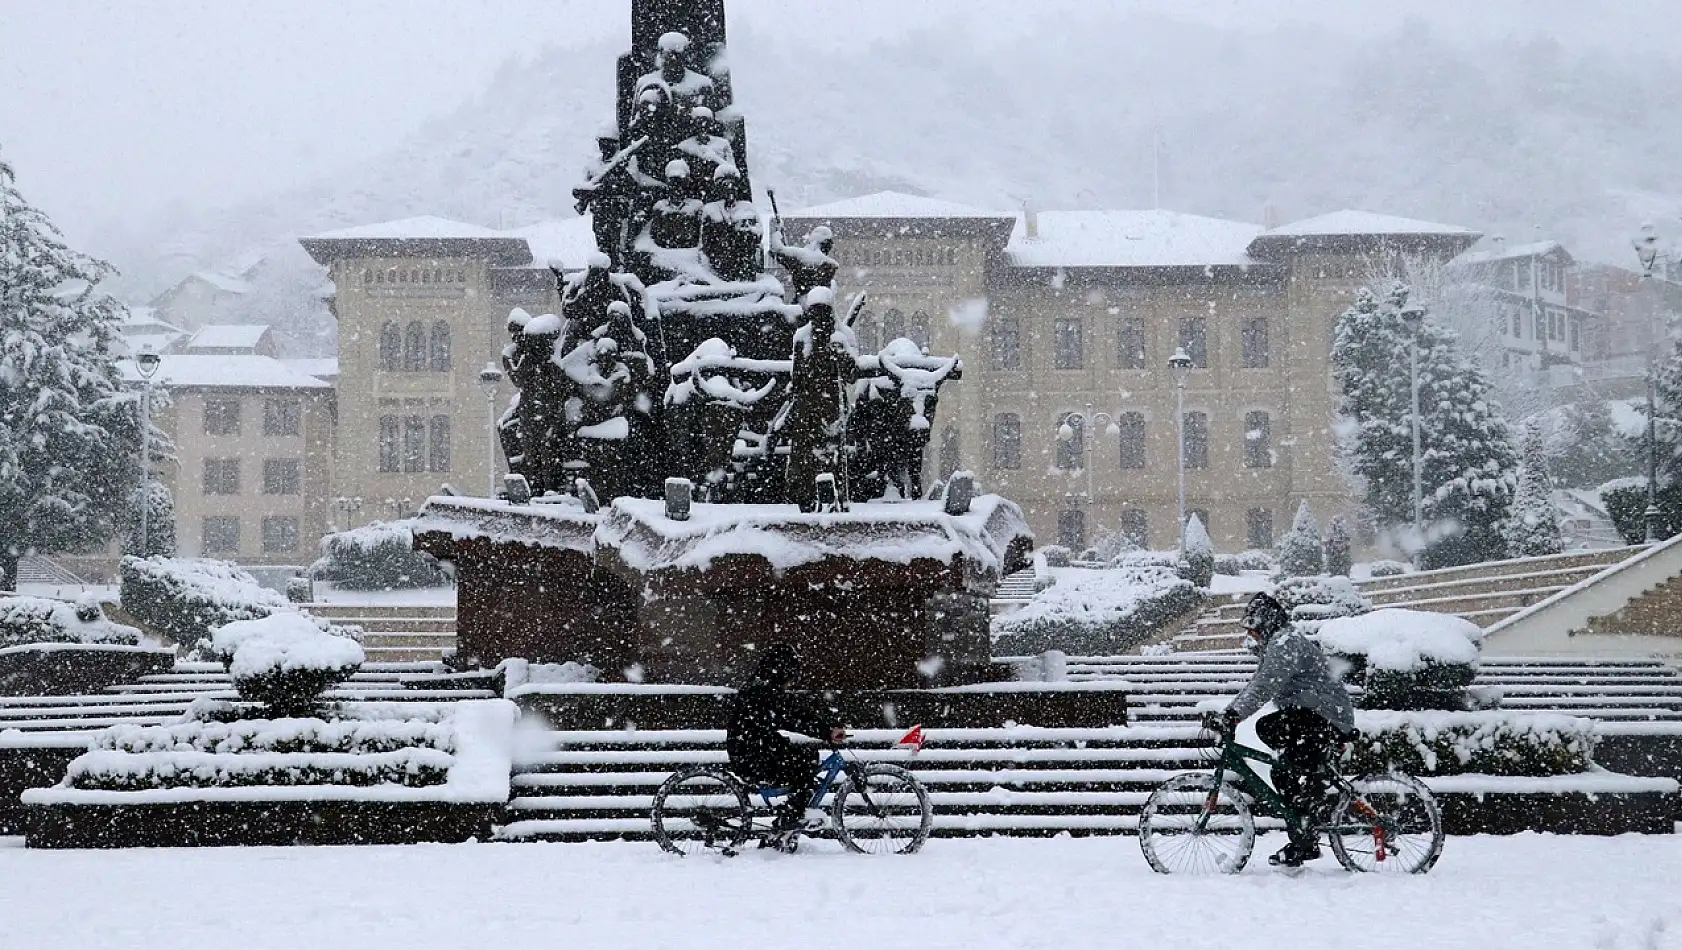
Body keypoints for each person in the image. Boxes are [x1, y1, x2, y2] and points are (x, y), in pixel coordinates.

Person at [1206, 591, 1355, 868]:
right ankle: (1304, 835)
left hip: (1325, 717)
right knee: (1280, 769)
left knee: (1269, 728)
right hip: (1314, 716)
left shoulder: (1286, 643)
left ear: (1267, 622)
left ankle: (1312, 801)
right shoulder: (1278, 642)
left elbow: (1264, 686)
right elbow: (1256, 683)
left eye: (1254, 627)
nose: (1252, 635)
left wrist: (1234, 715)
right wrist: (1229, 712)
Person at [725, 642, 846, 845]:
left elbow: (794, 713)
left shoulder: (763, 687)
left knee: (804, 759)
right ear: (782, 671)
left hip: (756, 749)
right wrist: (826, 731)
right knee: (804, 760)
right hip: (753, 755)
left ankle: (789, 818)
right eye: (791, 674)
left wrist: (826, 728)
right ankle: (790, 818)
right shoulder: (763, 692)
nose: (792, 681)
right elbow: (791, 717)